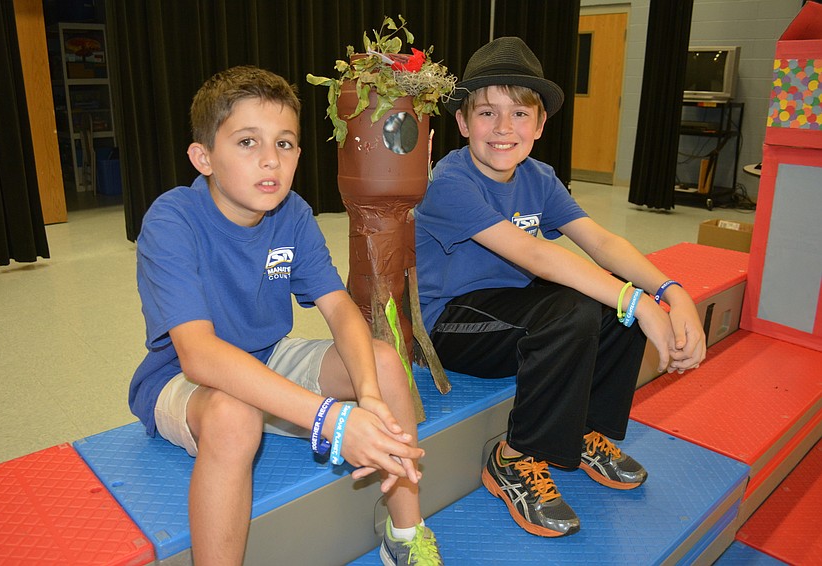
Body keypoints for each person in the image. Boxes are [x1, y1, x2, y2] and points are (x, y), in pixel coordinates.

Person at [129, 66, 442, 566]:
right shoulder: (172, 220)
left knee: (383, 361)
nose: (270, 160)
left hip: (269, 357)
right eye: (248, 142)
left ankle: (407, 533)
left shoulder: (292, 213)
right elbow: (199, 357)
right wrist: (331, 421)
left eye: (286, 143)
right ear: (203, 157)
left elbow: (338, 307)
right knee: (235, 415)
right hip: (182, 379)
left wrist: (366, 396)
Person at [414, 37, 706, 537]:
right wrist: (635, 300)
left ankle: (585, 429)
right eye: (487, 113)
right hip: (451, 326)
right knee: (589, 305)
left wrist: (670, 291)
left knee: (604, 299)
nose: (504, 129)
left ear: (540, 123)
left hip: (511, 311)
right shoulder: (449, 181)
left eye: (519, 114)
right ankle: (514, 457)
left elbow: (602, 242)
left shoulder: (539, 177)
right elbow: (536, 256)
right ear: (463, 123)